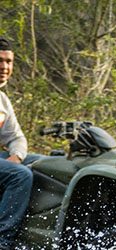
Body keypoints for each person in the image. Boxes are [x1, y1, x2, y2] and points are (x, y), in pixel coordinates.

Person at [0, 36, 37, 248]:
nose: (4, 67)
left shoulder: (2, 100)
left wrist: (17, 156)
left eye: (8, 61)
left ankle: (39, 230)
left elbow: (16, 137)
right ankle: (3, 241)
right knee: (20, 175)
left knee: (42, 163)